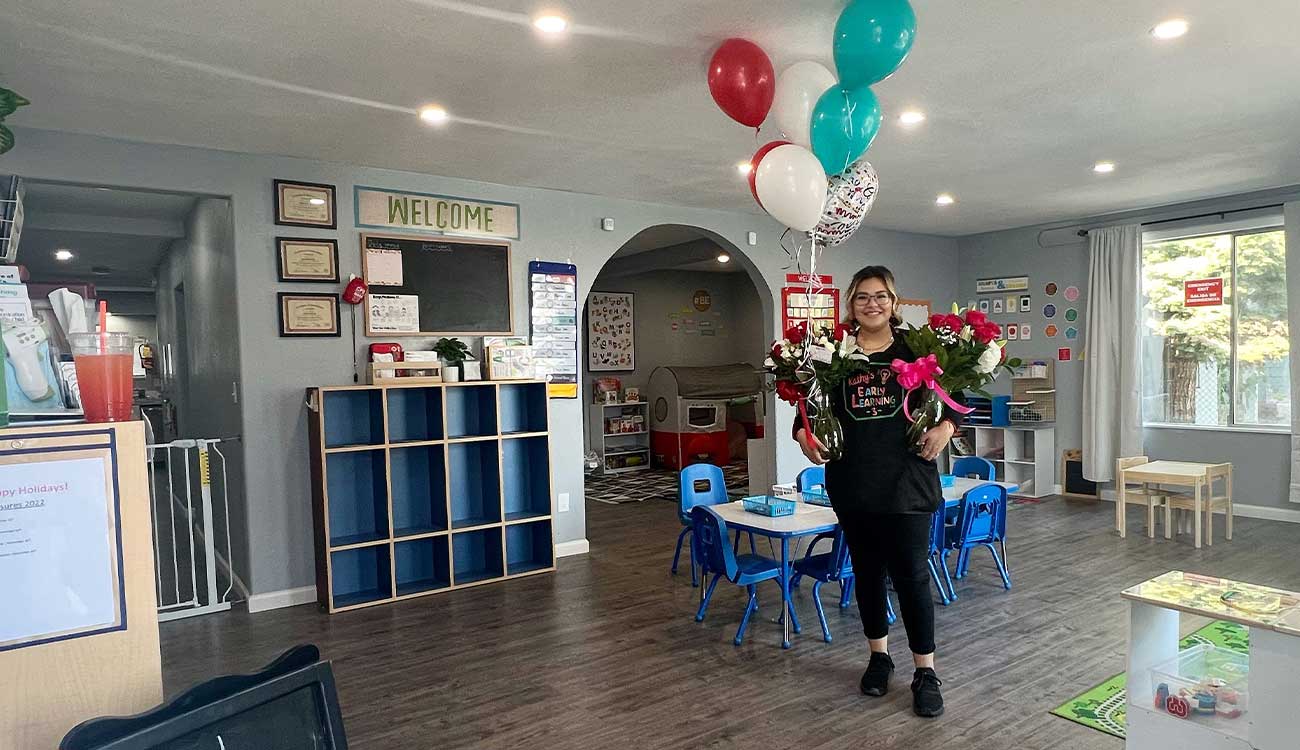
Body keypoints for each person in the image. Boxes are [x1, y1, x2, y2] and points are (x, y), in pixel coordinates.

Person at [794, 265, 958, 718]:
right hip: (854, 484)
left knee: (912, 579)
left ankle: (925, 671)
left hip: (909, 485)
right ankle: (878, 657)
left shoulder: (917, 350)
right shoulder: (833, 355)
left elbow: (951, 403)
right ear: (851, 304)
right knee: (866, 575)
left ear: (894, 301)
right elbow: (806, 415)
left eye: (881, 296)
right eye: (863, 297)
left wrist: (946, 428)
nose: (872, 304)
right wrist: (806, 439)